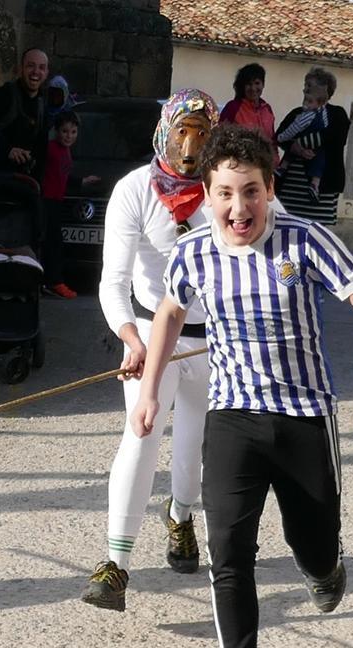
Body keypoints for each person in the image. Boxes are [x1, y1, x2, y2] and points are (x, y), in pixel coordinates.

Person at [133, 125, 353, 648]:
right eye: (225, 193)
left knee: (314, 543)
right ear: (206, 196)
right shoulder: (193, 253)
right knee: (228, 556)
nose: (238, 206)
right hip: (232, 417)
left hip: (304, 417)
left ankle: (324, 568)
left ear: (269, 189)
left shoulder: (305, 240)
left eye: (250, 190)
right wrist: (150, 391)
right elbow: (170, 314)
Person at [81, 89, 218, 612]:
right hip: (152, 333)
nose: (190, 146)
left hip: (215, 341)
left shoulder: (223, 189)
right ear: (164, 130)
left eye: (202, 134)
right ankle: (115, 564)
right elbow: (113, 281)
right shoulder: (134, 190)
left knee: (194, 443)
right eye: (183, 131)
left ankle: (181, 517)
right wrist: (131, 338)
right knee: (140, 434)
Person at [274, 67, 350, 226]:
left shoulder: (337, 114)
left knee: (318, 233)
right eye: (305, 85)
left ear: (324, 90)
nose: (305, 89)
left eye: (310, 85)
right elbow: (280, 136)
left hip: (323, 187)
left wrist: (298, 144)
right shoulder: (297, 113)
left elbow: (334, 139)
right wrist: (295, 149)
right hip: (292, 189)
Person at [39, 111, 100, 299]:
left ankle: (52, 281)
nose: (69, 136)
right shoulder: (49, 149)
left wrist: (81, 182)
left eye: (73, 132)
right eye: (65, 131)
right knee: (50, 243)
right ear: (56, 131)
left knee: (55, 243)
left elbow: (63, 176)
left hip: (57, 202)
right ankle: (51, 282)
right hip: (46, 202)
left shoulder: (65, 151)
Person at [0, 47, 50, 182]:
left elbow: (42, 152)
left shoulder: (42, 105)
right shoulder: (3, 95)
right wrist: (8, 150)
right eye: (30, 66)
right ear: (20, 69)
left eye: (41, 68)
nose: (36, 72)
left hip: (25, 184)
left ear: (46, 73)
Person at [274, 85, 330, 202]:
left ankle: (283, 167)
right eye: (305, 99)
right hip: (316, 144)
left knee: (294, 144)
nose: (306, 103)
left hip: (307, 140)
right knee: (319, 160)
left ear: (319, 103)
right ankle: (315, 184)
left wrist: (282, 137)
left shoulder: (306, 116)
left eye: (310, 101)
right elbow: (325, 126)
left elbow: (293, 129)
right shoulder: (323, 112)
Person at [219, 63, 278, 161]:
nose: (253, 88)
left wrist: (275, 163)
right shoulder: (233, 107)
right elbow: (220, 138)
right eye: (249, 84)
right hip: (240, 164)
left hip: (265, 166)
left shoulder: (267, 109)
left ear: (263, 84)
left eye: (257, 83)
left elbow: (272, 141)